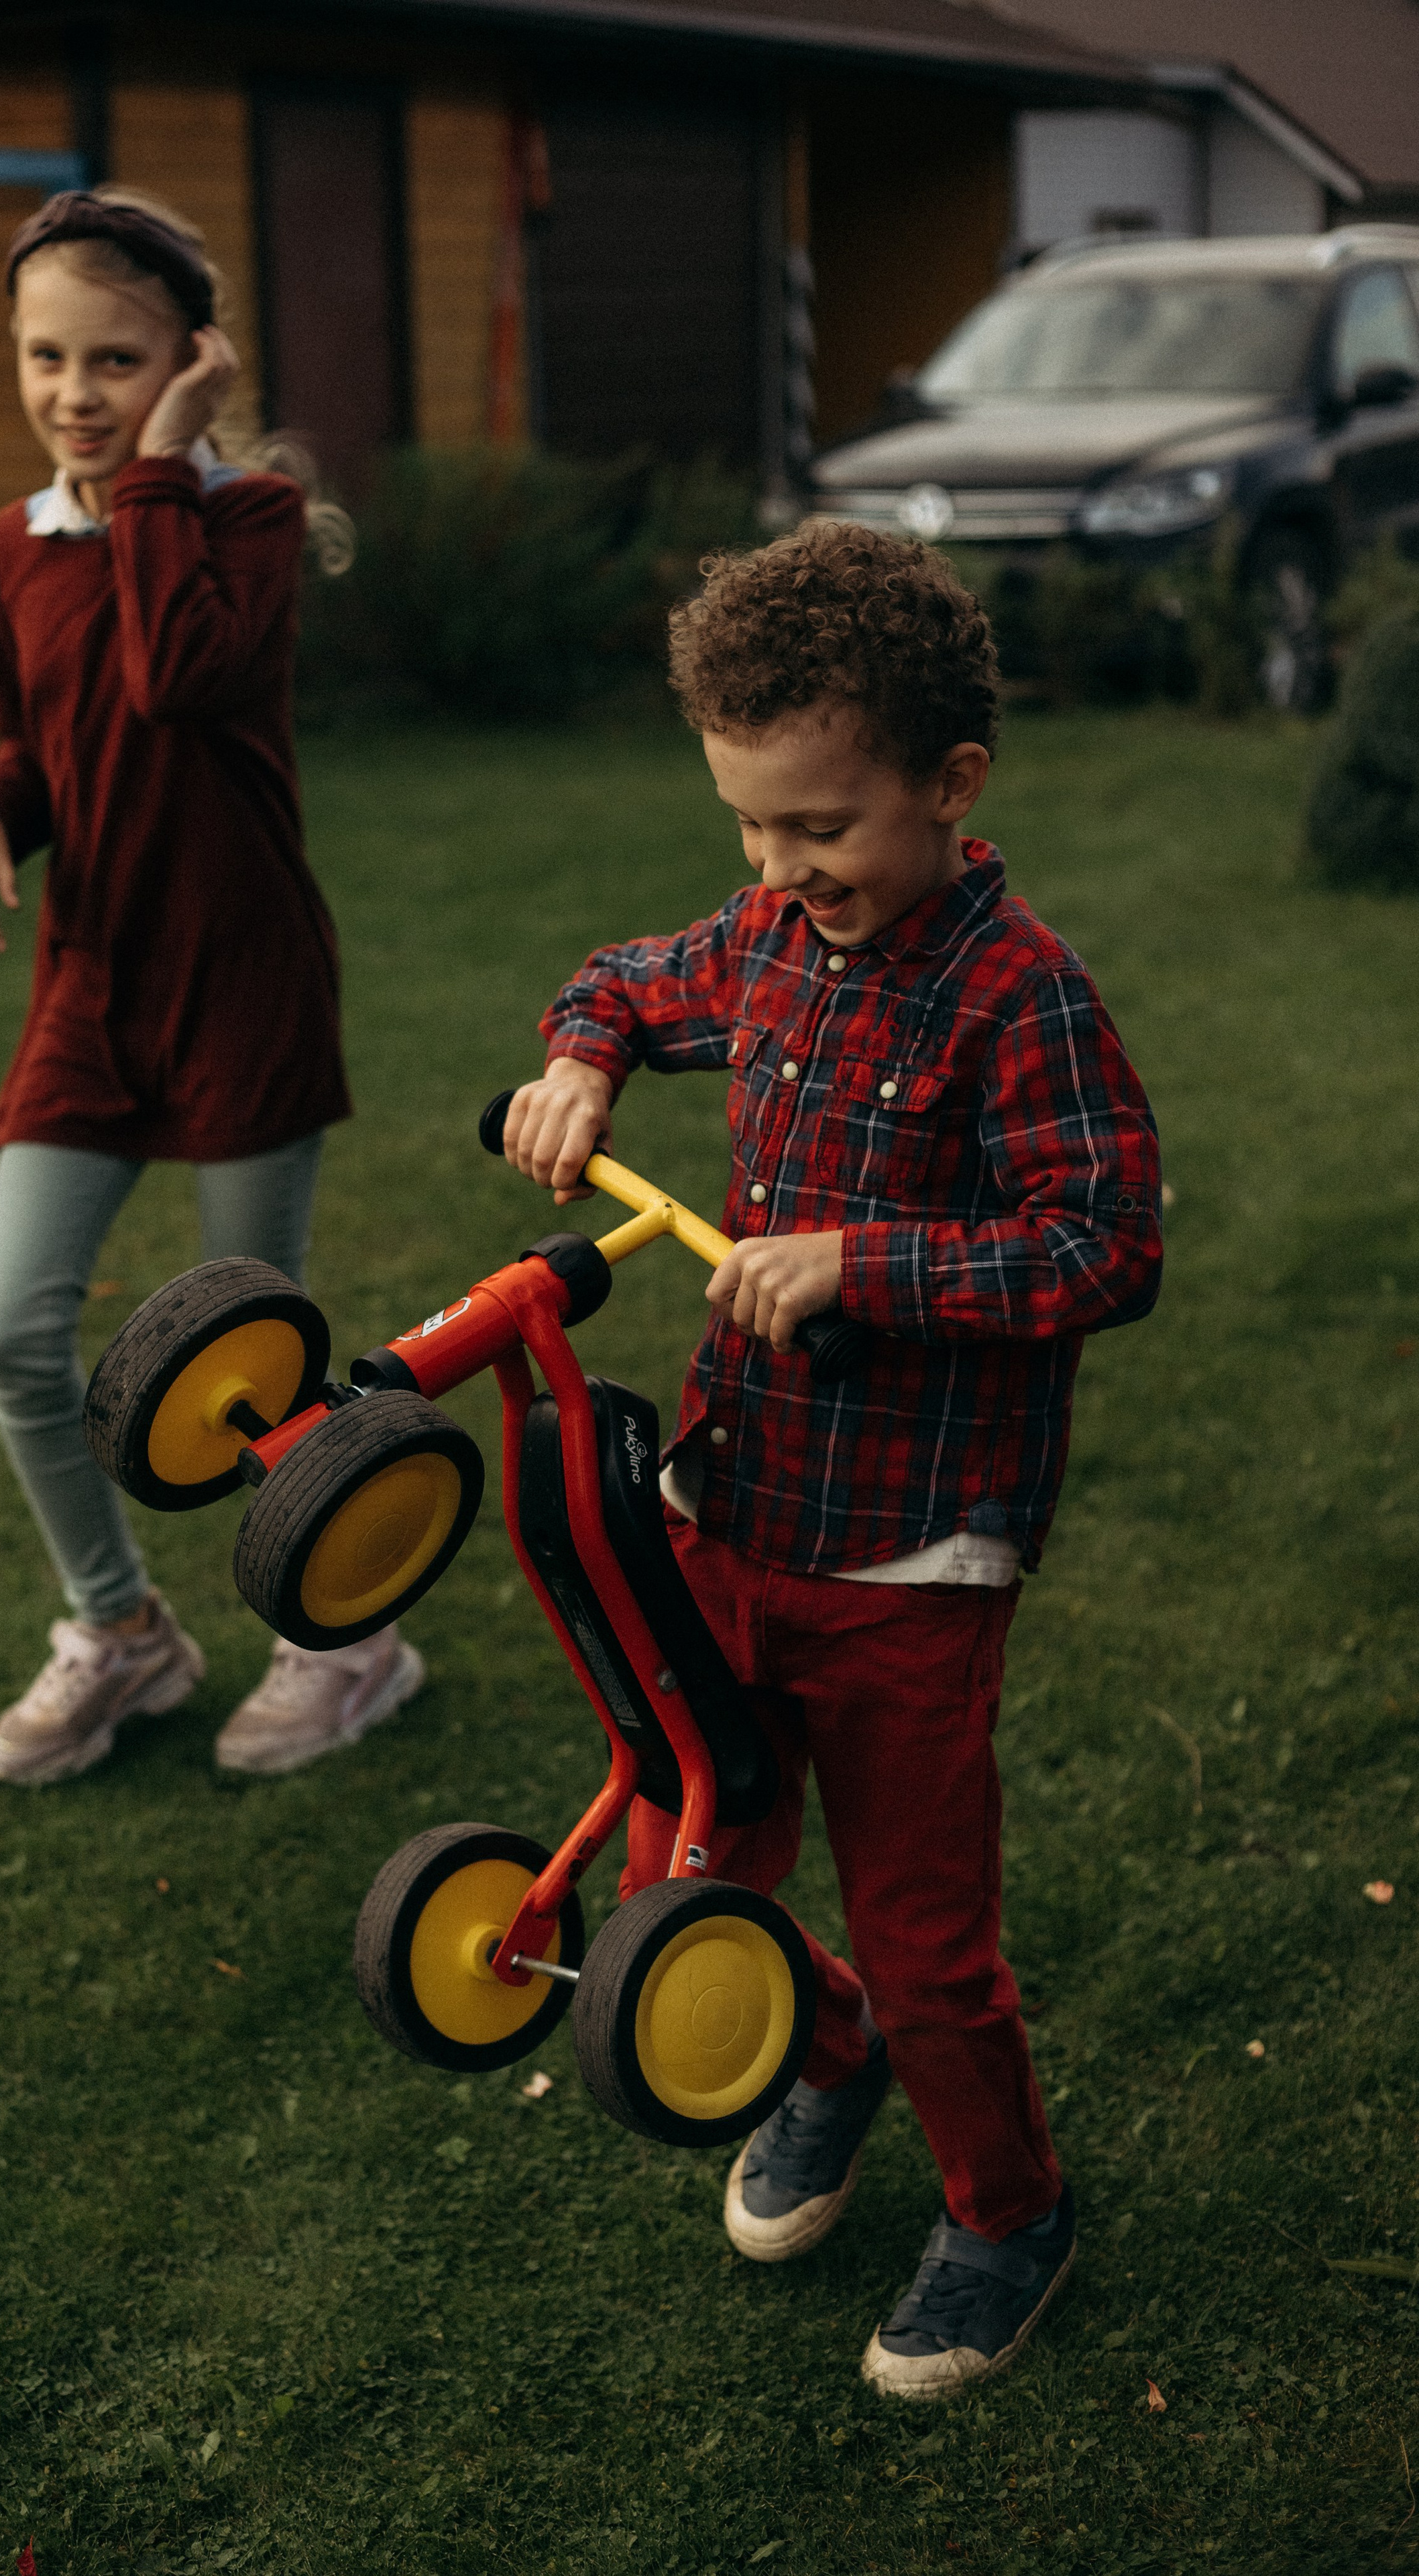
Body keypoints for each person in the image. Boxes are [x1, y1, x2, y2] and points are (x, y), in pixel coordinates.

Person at [503, 520, 1162, 2398]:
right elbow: (624, 980)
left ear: (950, 787)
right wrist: (582, 1062)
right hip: (739, 1507)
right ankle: (827, 2050)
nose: (780, 874)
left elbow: (1108, 1244)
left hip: (908, 1562)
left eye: (820, 828)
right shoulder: (776, 941)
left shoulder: (1015, 993)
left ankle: (1006, 2205)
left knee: (931, 1933)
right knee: (695, 1861)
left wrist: (877, 1265)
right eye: (749, 830)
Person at [0, 187, 421, 1787]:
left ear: (192, 365)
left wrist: (160, 471)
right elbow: (39, 744)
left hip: (243, 986)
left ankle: (346, 1645)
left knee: (250, 1362)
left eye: (118, 360)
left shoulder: (244, 522)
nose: (75, 392)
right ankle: (121, 1633)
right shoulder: (15, 546)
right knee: (10, 1327)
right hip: (93, 990)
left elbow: (175, 675)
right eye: (47, 357)